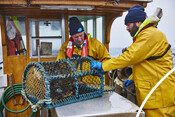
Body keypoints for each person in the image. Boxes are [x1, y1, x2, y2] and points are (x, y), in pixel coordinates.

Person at [90, 5, 175, 117]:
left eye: (128, 25)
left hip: (160, 99)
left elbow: (129, 57)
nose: (127, 28)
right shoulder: (144, 35)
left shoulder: (150, 34)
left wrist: (103, 66)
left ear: (138, 22)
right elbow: (143, 63)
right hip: (153, 97)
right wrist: (131, 78)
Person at [56, 17, 111, 83]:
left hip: (94, 85)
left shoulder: (96, 45)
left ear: (83, 33)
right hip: (74, 85)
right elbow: (59, 64)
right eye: (76, 37)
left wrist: (102, 67)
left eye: (81, 35)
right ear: (72, 36)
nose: (79, 39)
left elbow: (108, 60)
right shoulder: (65, 47)